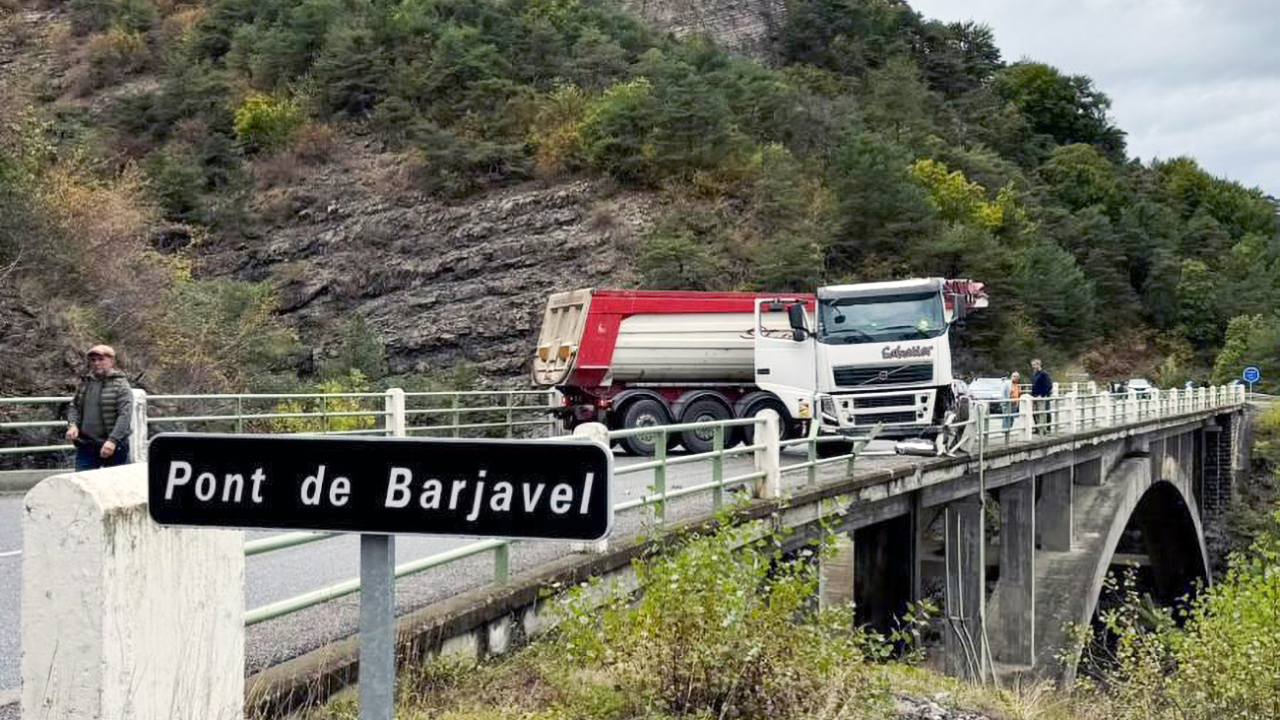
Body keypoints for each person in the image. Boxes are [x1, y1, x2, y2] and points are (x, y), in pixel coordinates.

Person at [66, 344, 133, 471]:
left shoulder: (121, 385)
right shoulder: (85, 383)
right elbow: (74, 406)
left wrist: (112, 441)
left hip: (114, 446)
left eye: (101, 359)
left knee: (115, 481)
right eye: (93, 360)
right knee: (82, 480)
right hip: (87, 445)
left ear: (112, 361)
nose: (97, 363)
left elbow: (125, 416)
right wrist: (72, 425)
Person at [1030, 359, 1052, 434]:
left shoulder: (1044, 374)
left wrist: (1042, 395)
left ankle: (1045, 429)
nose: (1033, 367)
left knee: (1042, 413)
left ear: (1038, 365)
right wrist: (1032, 395)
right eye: (1032, 365)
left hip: (1041, 397)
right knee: (1035, 413)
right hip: (1035, 396)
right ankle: (1038, 428)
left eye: (1034, 365)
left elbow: (1049, 386)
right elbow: (1034, 386)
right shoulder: (1034, 374)